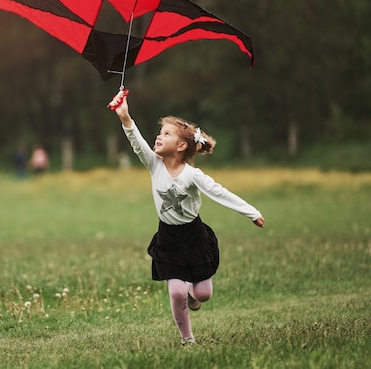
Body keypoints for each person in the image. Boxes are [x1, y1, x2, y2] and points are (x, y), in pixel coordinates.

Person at [110, 91, 265, 346]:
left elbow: (218, 192)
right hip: (169, 238)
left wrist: (252, 213)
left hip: (194, 237)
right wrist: (125, 116)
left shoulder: (192, 175)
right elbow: (136, 141)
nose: (159, 137)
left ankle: (195, 293)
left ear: (182, 146)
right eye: (160, 133)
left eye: (166, 134)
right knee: (177, 292)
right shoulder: (154, 164)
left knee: (202, 294)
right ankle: (187, 339)